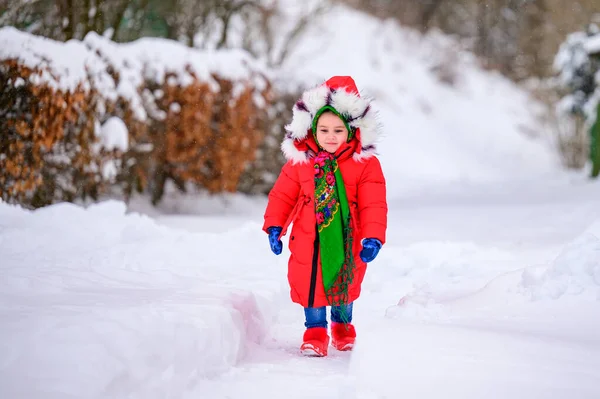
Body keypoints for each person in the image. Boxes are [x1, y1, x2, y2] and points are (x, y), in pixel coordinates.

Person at [263, 76, 388, 357]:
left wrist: (373, 237)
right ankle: (315, 330)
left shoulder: (365, 164)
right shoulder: (301, 161)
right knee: (311, 283)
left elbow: (374, 204)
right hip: (307, 238)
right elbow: (283, 195)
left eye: (338, 130)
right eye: (324, 130)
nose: (330, 137)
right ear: (312, 130)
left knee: (344, 281)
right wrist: (274, 226)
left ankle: (342, 326)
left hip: (347, 237)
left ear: (352, 131)